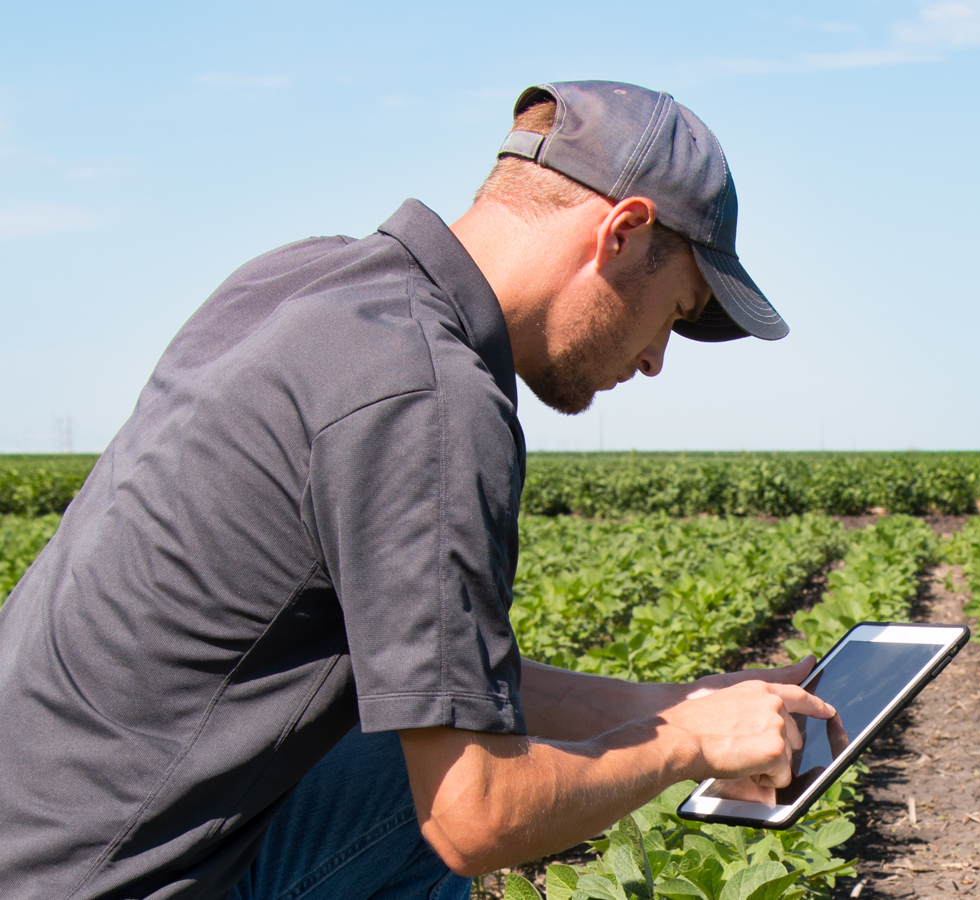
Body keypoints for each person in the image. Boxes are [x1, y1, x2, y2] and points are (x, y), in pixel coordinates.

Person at [0, 80, 835, 900]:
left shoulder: (301, 284)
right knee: (445, 802)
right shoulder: (432, 396)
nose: (656, 357)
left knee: (397, 756)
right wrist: (686, 743)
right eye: (676, 309)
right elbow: (477, 819)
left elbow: (443, 681)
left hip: (35, 835)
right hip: (106, 880)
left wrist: (681, 702)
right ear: (621, 231)